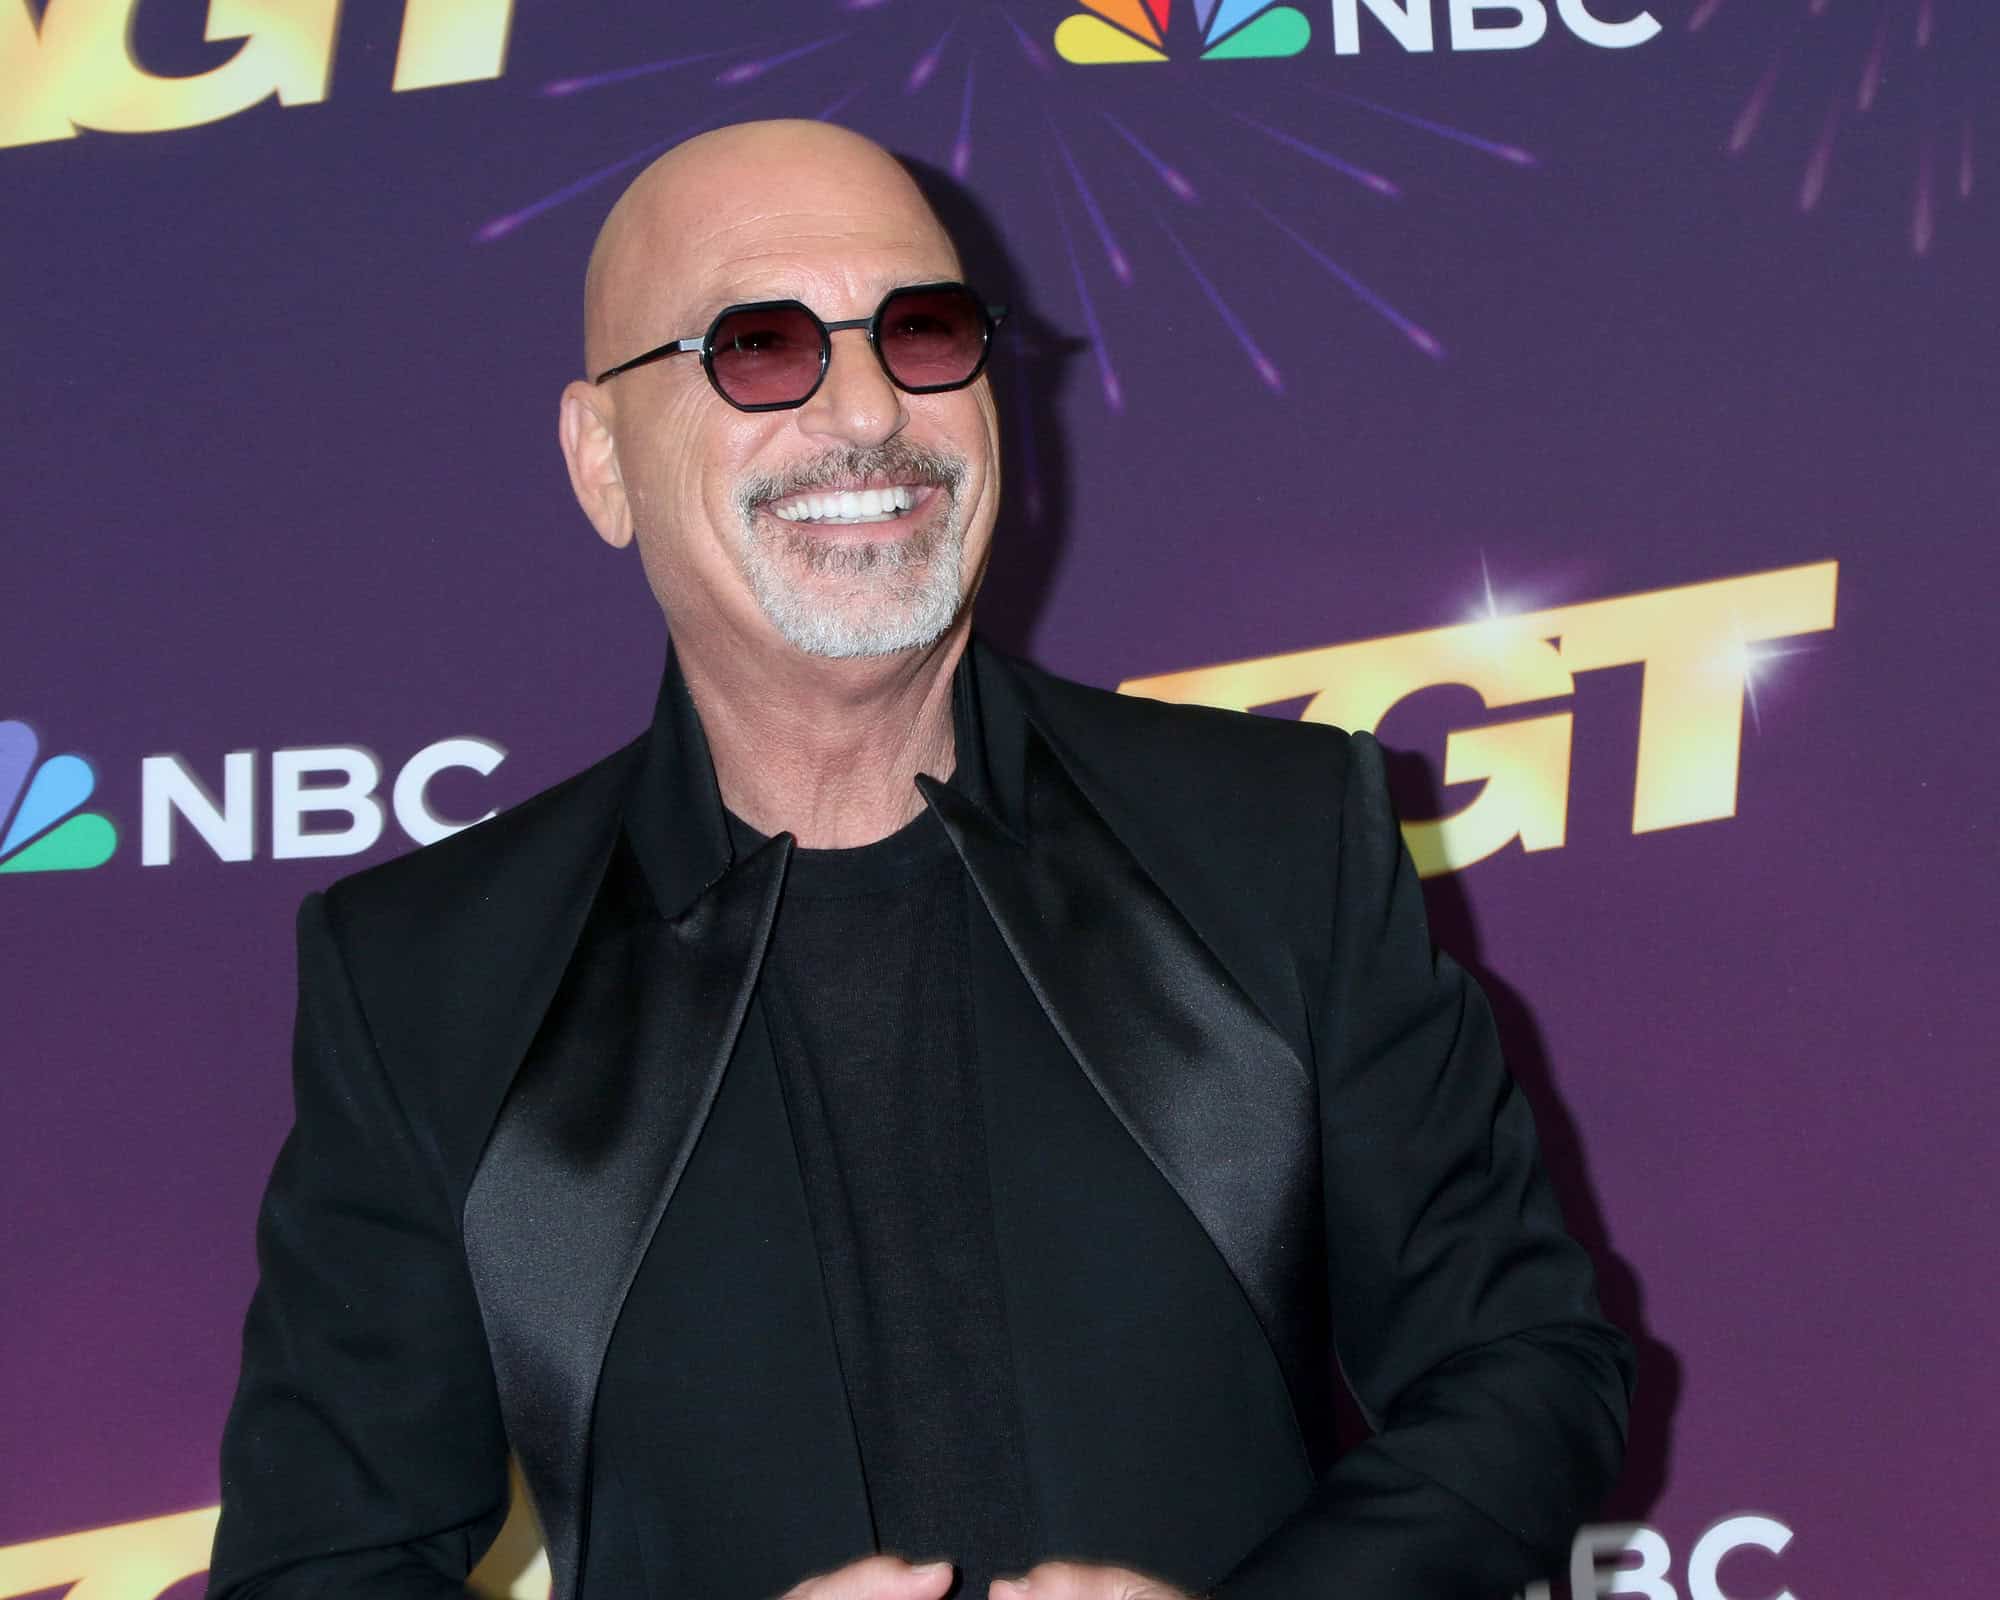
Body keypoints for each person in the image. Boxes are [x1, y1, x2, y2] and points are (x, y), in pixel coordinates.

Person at [207, 119, 1633, 1600]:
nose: (869, 407)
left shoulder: (1277, 839)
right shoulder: (428, 975)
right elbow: (317, 1572)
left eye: (923, 330)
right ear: (602, 460)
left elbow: (1525, 1367)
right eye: (761, 347)